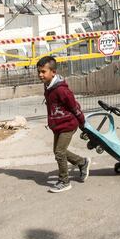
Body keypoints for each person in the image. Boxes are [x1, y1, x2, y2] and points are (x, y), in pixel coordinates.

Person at [37, 55, 90, 193]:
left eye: (43, 71)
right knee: (58, 151)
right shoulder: (48, 86)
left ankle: (64, 181)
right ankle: (82, 162)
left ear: (53, 72)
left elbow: (74, 106)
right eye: (39, 72)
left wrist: (82, 122)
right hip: (58, 125)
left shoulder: (61, 89)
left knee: (59, 153)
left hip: (68, 124)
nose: (40, 75)